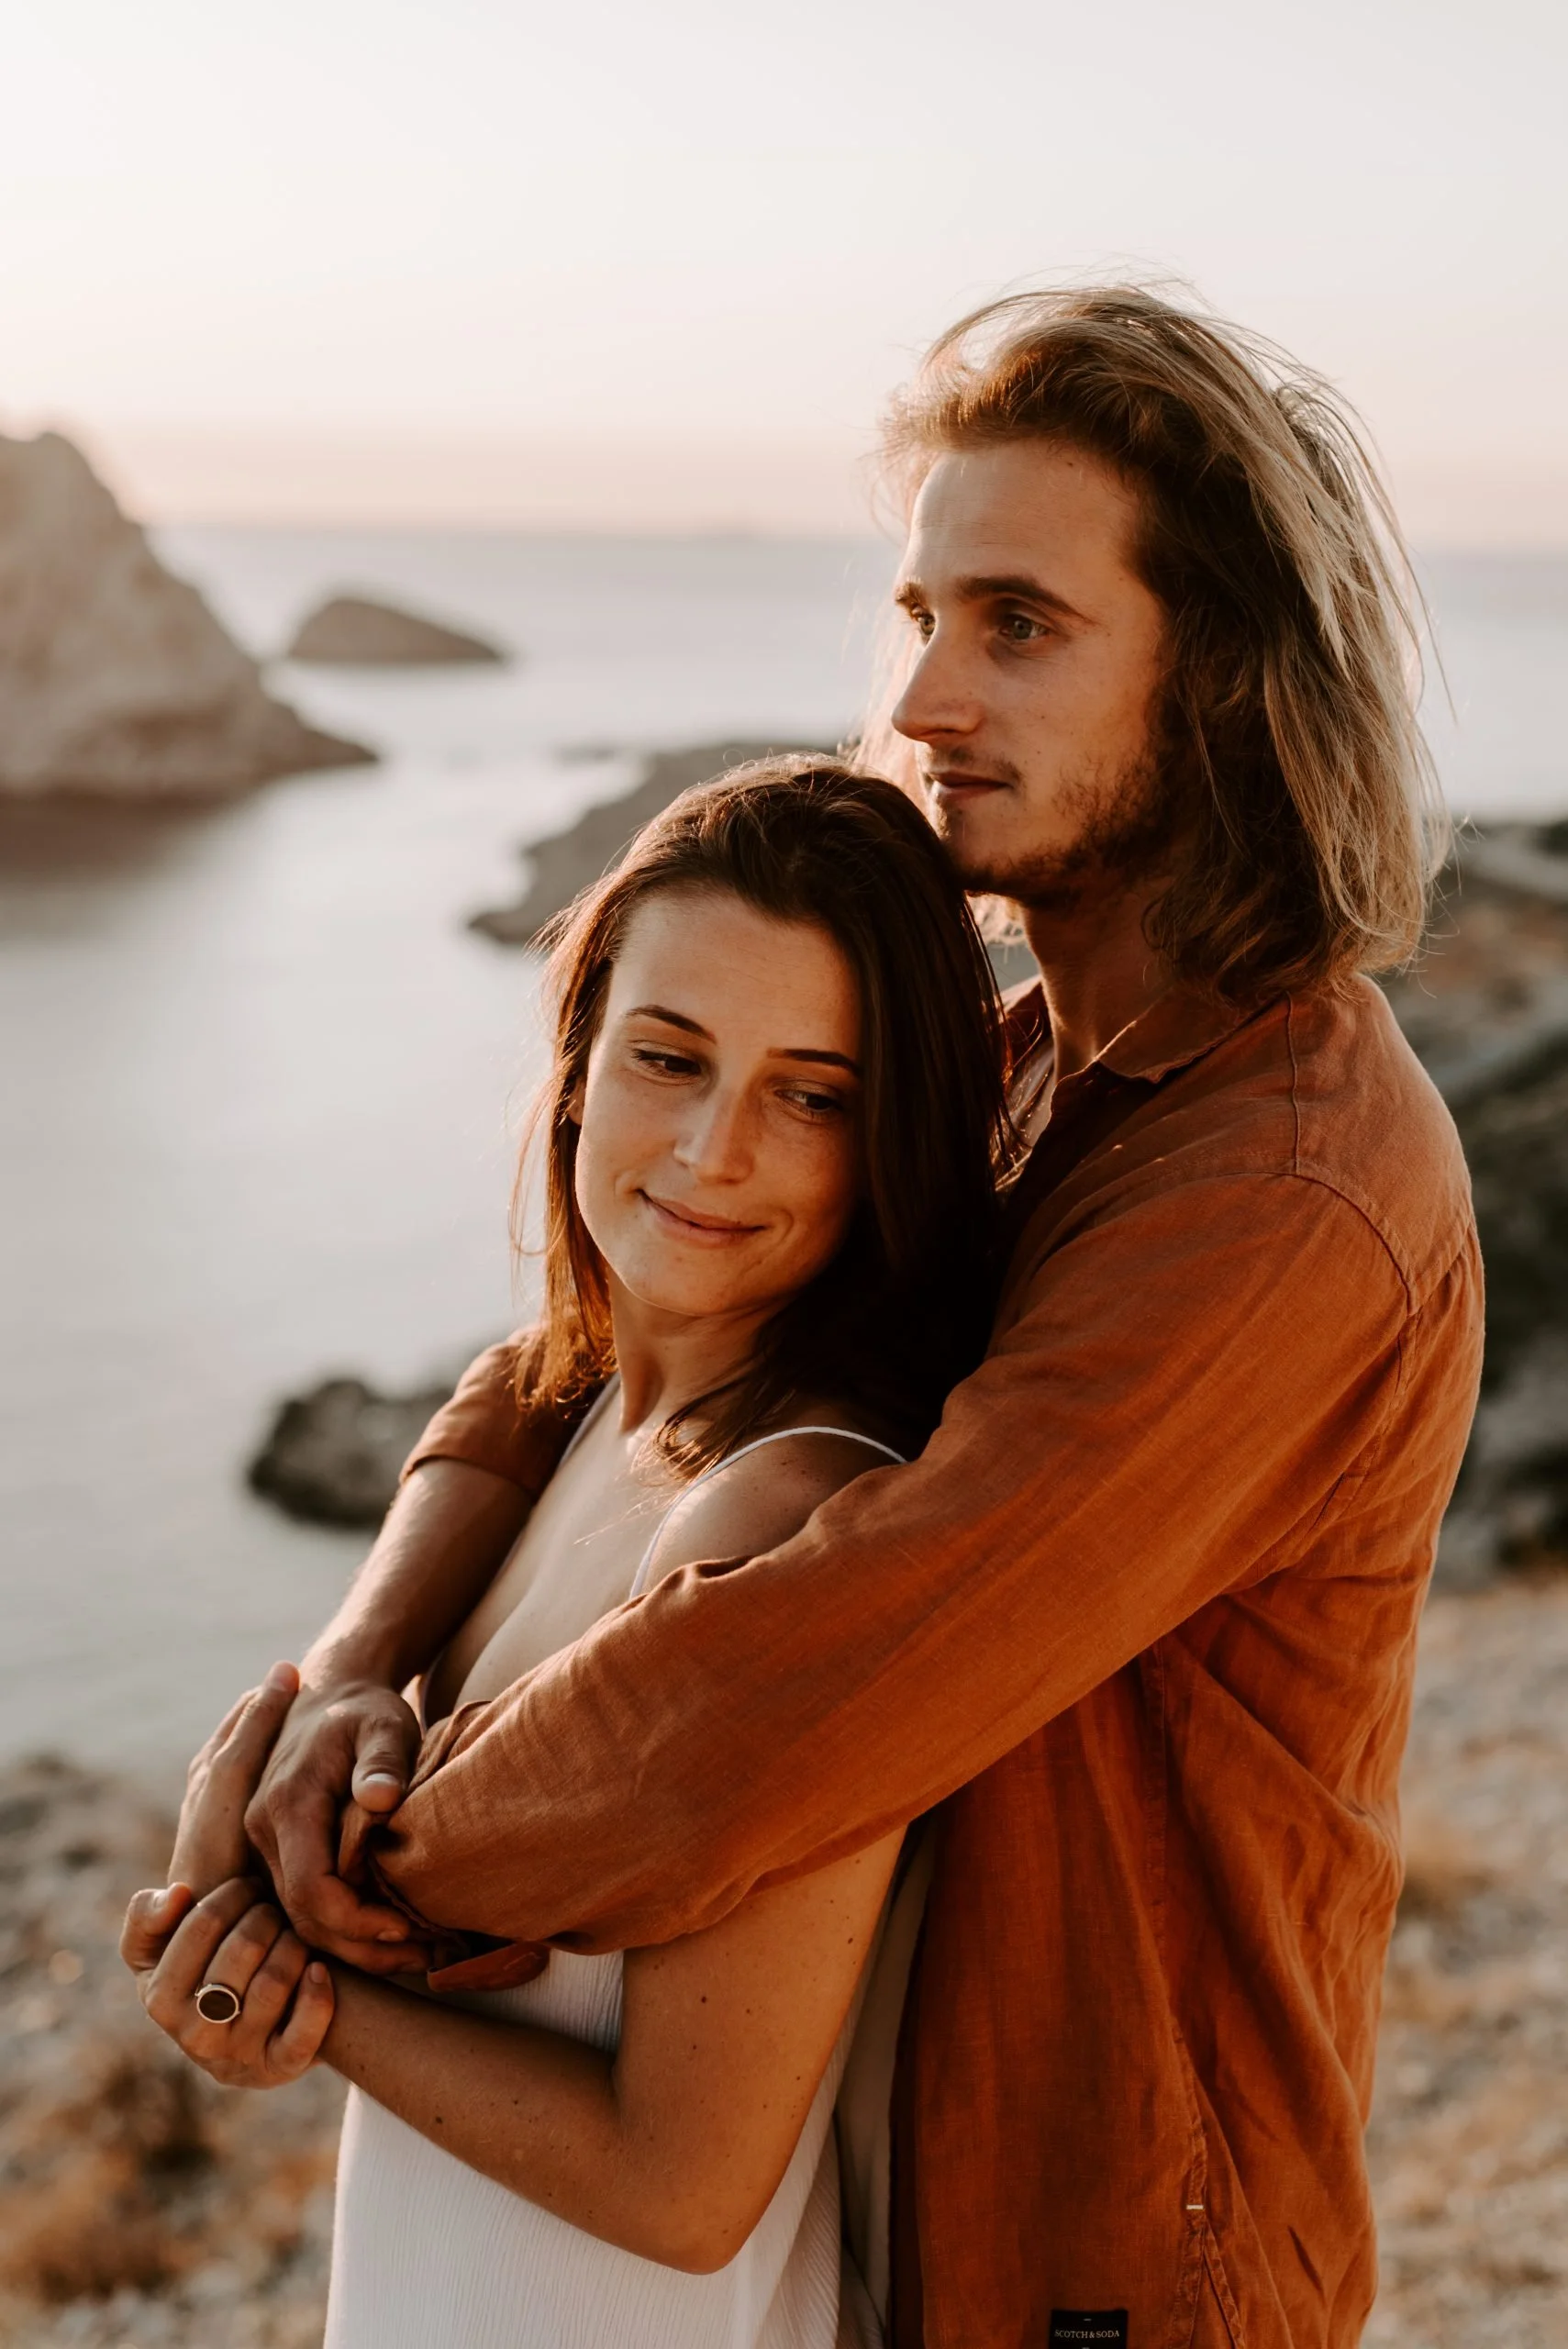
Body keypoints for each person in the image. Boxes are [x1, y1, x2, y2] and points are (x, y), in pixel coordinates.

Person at [151, 286, 1482, 2349]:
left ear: (1220, 673)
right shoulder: (1040, 1072)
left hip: (1116, 2256)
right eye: (922, 612)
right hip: (905, 2218)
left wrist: (328, 1864)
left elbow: (787, 1687)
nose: (924, 696)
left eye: (1018, 625)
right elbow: (602, 1344)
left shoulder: (1276, 1193)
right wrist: (351, 1661)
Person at [123, 763, 1014, 2347]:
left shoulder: (784, 1519)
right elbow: (518, 1386)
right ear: (581, 1059)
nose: (714, 1150)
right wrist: (338, 1683)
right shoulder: (583, 1415)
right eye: (670, 1058)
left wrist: (279, 1963)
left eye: (812, 1094)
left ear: (895, 1138)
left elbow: (686, 2184)